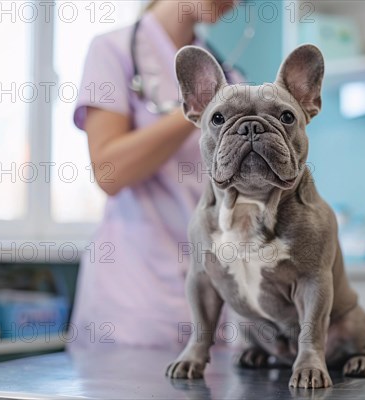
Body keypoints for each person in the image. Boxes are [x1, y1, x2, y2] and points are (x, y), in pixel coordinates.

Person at [69, 0, 243, 351]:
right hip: (134, 296)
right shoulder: (113, 51)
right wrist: (200, 106)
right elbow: (109, 172)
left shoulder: (231, 77)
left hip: (212, 297)